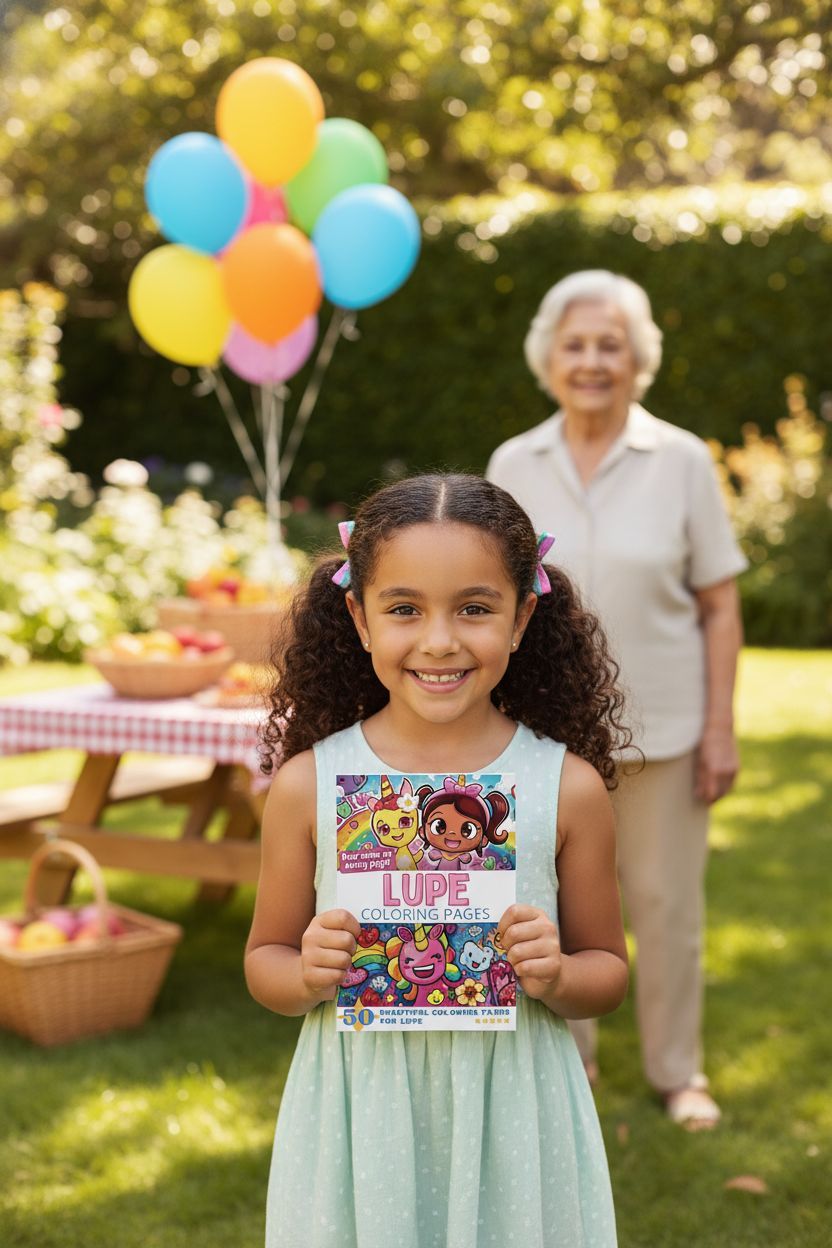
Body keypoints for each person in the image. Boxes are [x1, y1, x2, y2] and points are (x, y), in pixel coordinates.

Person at [247, 473, 631, 1248]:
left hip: (515, 1105)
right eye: (404, 609)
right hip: (360, 1107)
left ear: (523, 616)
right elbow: (265, 960)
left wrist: (557, 974)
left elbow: (608, 974)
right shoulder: (309, 785)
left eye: (475, 608)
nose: (440, 640)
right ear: (357, 617)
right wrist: (305, 972)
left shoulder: (567, 787)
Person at [486, 270, 747, 1131]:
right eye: (576, 344)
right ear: (547, 358)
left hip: (667, 728)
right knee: (551, 905)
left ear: (638, 359)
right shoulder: (513, 464)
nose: (592, 360)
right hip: (549, 733)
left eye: (610, 344)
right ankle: (574, 1068)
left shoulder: (682, 460)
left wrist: (719, 728)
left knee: (667, 906)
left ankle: (679, 1072)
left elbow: (718, 602)